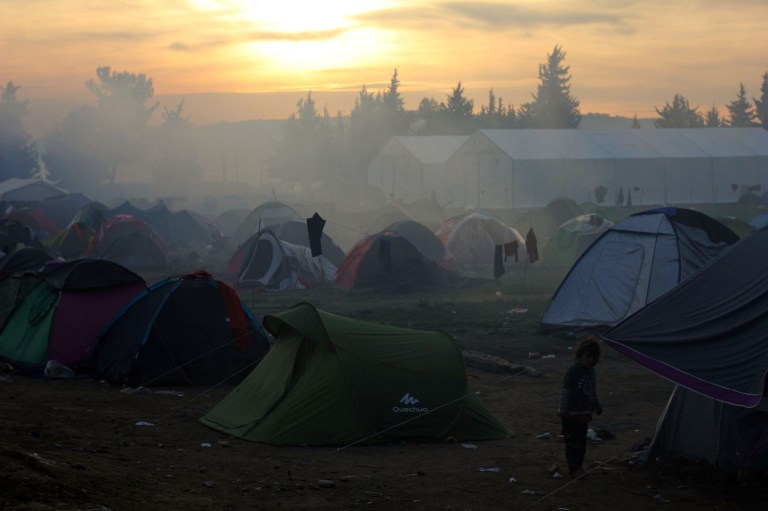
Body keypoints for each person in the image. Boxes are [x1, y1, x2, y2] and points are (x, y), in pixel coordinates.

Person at [558, 336, 603, 479]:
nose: (591, 360)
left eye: (594, 357)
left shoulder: (591, 372)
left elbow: (591, 390)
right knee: (572, 443)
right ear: (580, 355)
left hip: (584, 414)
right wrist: (563, 410)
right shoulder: (573, 371)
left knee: (581, 442)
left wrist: (596, 405)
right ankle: (574, 469)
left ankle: (579, 467)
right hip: (571, 414)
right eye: (588, 356)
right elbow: (566, 391)